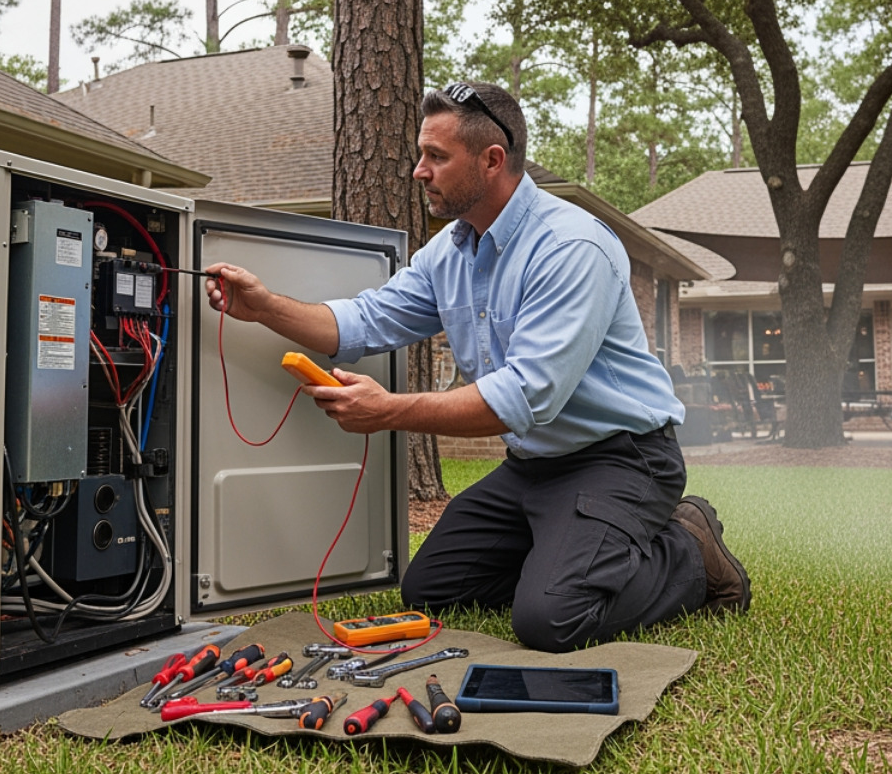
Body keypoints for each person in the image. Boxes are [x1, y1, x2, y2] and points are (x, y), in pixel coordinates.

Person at [205, 80, 749, 652]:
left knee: (552, 619)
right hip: (534, 464)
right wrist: (263, 308)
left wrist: (389, 411)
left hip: (621, 459)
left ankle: (688, 548)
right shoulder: (449, 253)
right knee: (433, 589)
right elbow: (363, 322)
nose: (419, 170)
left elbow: (524, 397)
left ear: (492, 161)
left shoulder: (570, 247)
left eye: (436, 157)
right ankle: (569, 552)